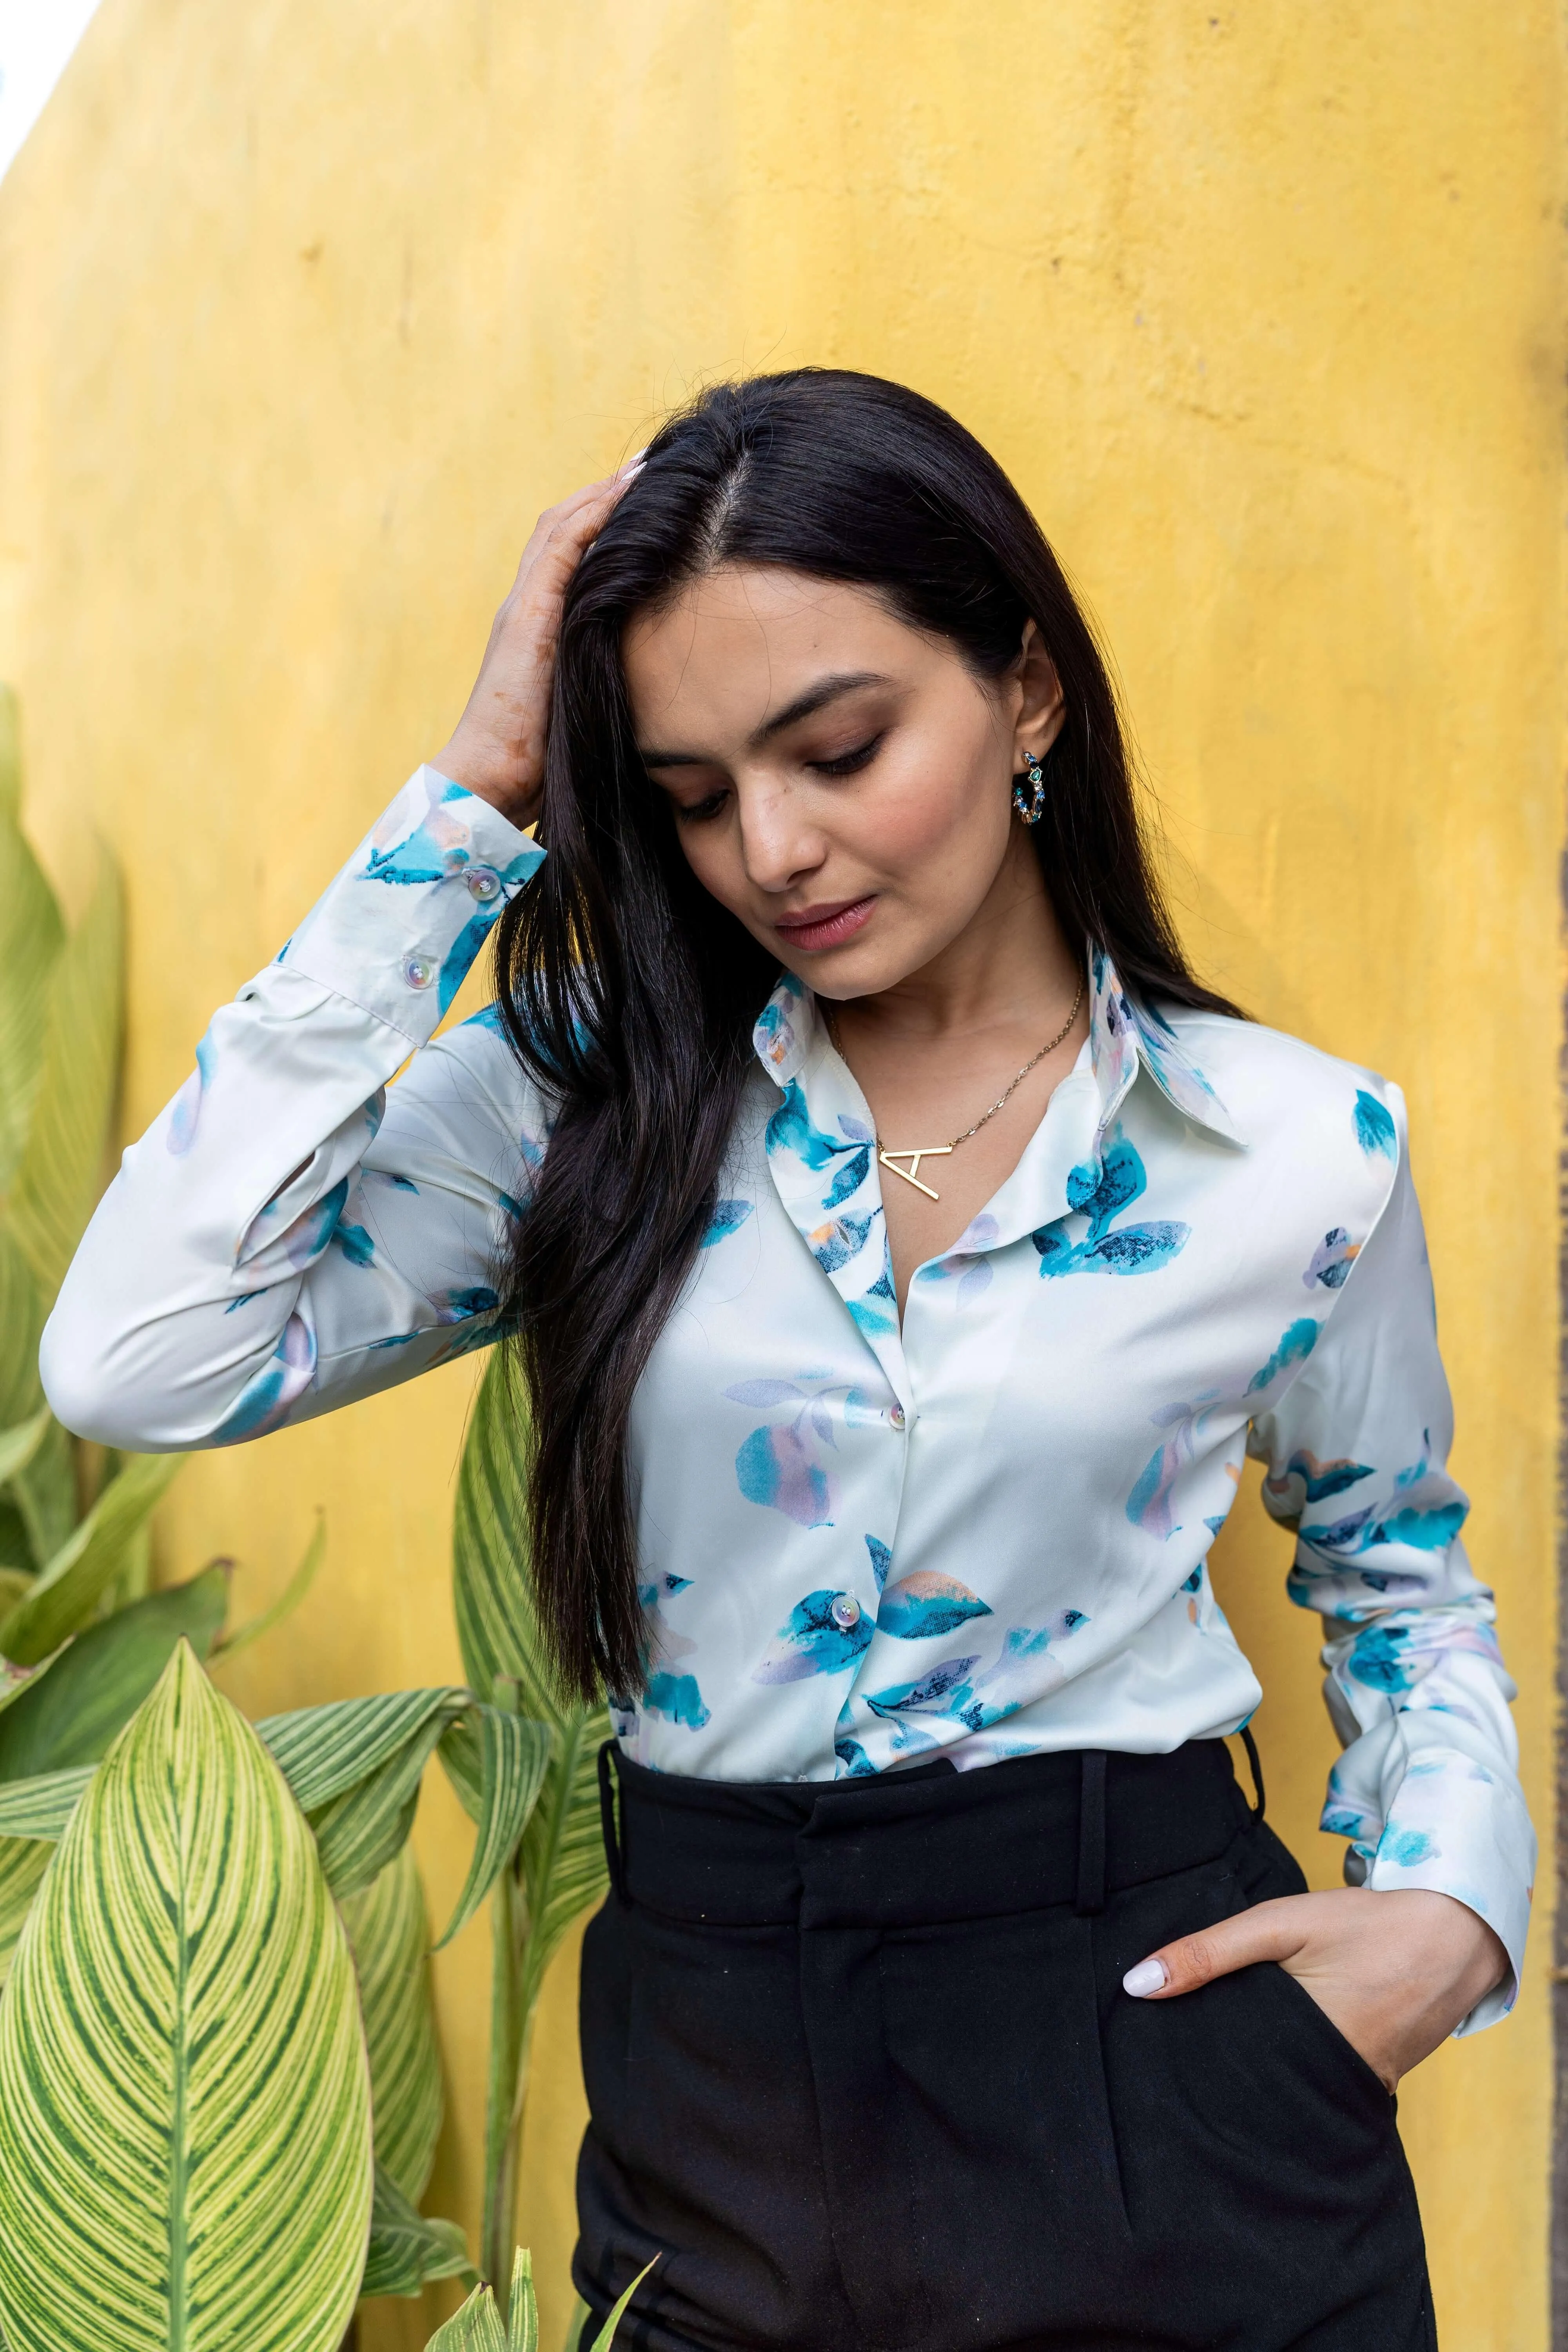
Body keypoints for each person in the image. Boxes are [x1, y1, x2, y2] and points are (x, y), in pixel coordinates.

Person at [42, 370, 1531, 2352]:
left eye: (839, 748)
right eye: (688, 793)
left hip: (1157, 2054)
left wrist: (1446, 1909)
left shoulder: (1293, 1151)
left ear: (1026, 691)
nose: (773, 849)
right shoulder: (594, 1101)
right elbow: (142, 1356)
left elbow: (1395, 1572)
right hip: (717, 2066)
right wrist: (472, 802)